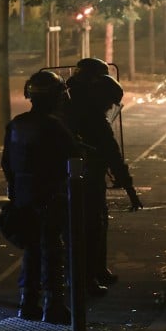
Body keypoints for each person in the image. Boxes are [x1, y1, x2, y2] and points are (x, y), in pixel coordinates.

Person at [0, 70, 79, 323]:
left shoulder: (16, 124)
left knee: (31, 249)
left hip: (23, 196)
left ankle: (28, 302)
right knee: (53, 250)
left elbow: (6, 162)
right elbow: (74, 157)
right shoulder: (55, 126)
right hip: (50, 195)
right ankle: (54, 305)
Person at [64, 59, 142, 296]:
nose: (109, 108)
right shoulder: (91, 116)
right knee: (89, 229)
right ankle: (86, 278)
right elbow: (111, 153)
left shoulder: (69, 102)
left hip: (72, 178)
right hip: (85, 178)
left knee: (91, 226)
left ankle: (95, 270)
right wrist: (129, 189)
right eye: (108, 103)